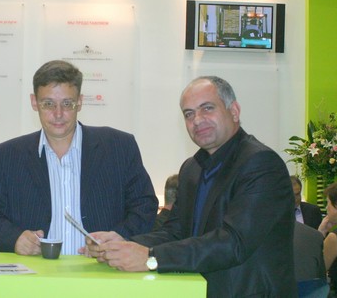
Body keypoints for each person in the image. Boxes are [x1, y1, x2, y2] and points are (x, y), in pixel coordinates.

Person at [83, 76, 297, 297]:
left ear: (234, 111)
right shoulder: (192, 168)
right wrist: (123, 243)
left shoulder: (260, 163)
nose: (197, 120)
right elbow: (176, 232)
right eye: (189, 114)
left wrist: (151, 257)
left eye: (207, 108)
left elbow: (234, 242)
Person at [0, 60, 158, 256]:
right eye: (48, 104)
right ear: (34, 102)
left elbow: (145, 205)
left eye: (67, 103)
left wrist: (120, 237)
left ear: (79, 102)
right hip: (35, 272)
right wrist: (14, 239)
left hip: (103, 269)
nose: (58, 114)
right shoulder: (9, 155)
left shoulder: (118, 147)